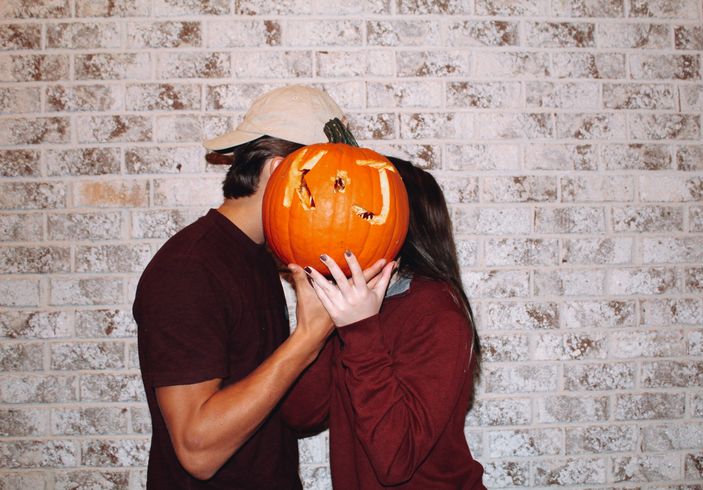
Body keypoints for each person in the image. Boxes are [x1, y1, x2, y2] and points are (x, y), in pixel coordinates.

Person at [133, 85, 390, 489]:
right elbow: (197, 451)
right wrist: (308, 337)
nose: (343, 200)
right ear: (278, 171)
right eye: (333, 179)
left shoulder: (260, 256)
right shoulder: (188, 270)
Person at [282, 157, 486, 489]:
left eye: (365, 209)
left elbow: (395, 461)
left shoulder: (437, 314)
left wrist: (360, 331)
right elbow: (301, 415)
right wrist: (315, 329)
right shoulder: (354, 304)